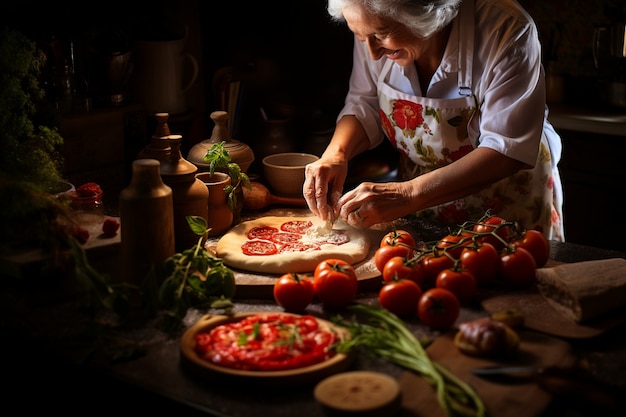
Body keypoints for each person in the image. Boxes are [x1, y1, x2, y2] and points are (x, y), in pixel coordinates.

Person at [303, 0, 564, 241]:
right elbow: (364, 103)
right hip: (418, 200)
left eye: (380, 35)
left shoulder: (505, 27)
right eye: (360, 36)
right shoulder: (373, 25)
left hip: (506, 200)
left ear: (423, 14)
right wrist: (336, 154)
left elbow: (506, 150)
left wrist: (407, 194)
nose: (371, 53)